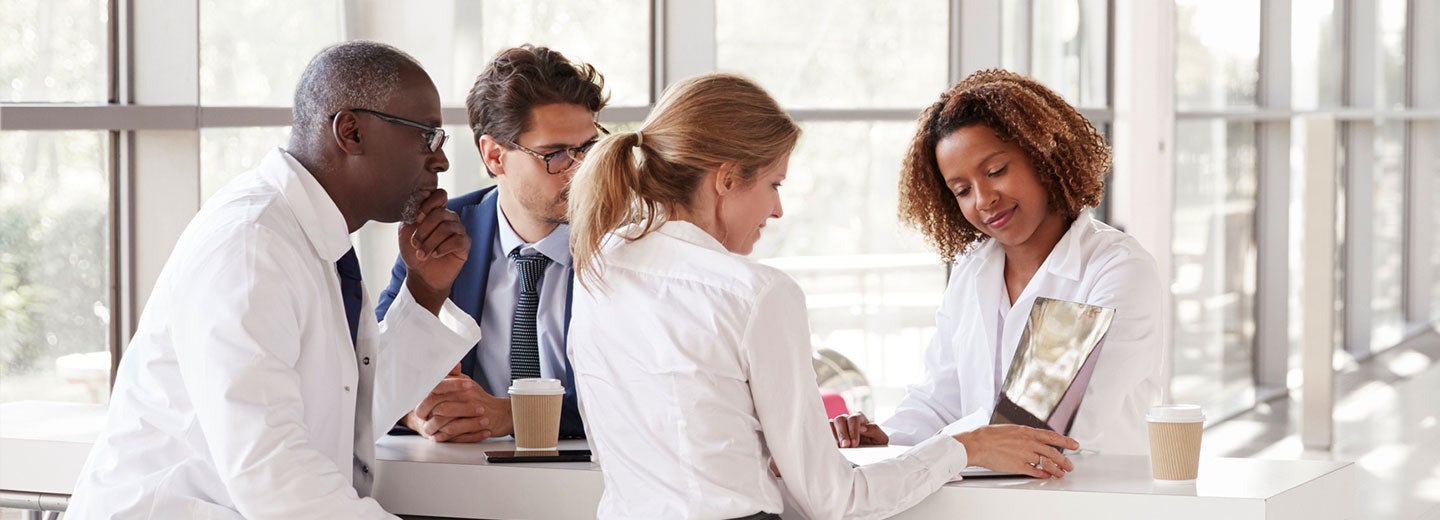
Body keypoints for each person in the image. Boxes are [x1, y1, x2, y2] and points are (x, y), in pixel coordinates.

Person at [566, 72, 1079, 520]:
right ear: (726, 179)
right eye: (774, 184)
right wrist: (963, 449)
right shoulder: (756, 294)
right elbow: (835, 500)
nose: (777, 210)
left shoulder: (598, 264)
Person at [66, 41, 481, 519]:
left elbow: (347, 412)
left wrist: (425, 292)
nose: (441, 161)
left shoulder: (311, 237)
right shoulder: (251, 245)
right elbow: (269, 470)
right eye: (427, 137)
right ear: (351, 131)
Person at [830, 69, 1165, 456]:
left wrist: (938, 451)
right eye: (962, 189)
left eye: (996, 171)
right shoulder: (972, 270)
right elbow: (940, 401)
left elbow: (1037, 428)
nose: (983, 199)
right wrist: (887, 439)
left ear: (1044, 156)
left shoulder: (1114, 270)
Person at [375, 45, 606, 442]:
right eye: (556, 155)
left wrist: (516, 415)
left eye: (588, 149)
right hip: (462, 476)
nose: (581, 170)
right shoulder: (442, 233)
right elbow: (374, 366)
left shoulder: (623, 239)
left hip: (589, 481)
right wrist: (417, 410)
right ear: (495, 155)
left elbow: (644, 393)